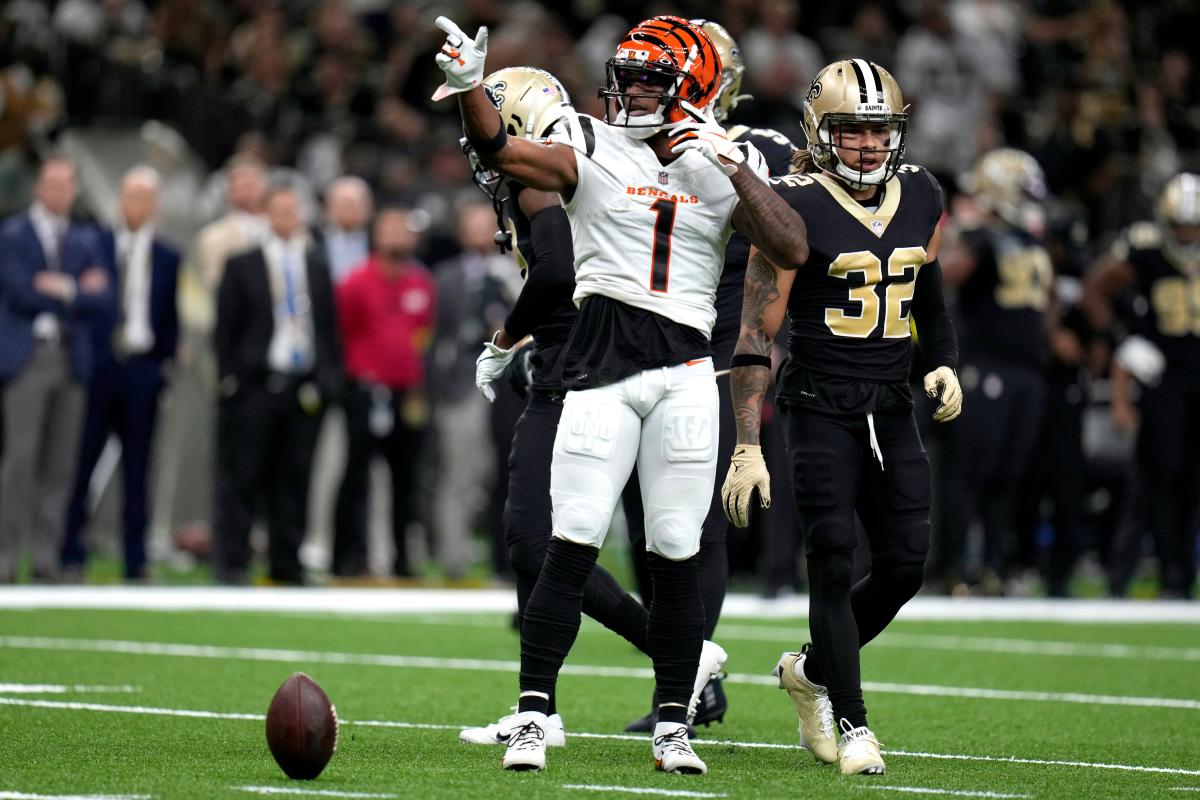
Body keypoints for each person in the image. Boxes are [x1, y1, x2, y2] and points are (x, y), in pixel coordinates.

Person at [433, 13, 809, 774]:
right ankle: (536, 713)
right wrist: (473, 88)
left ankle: (675, 725)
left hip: (683, 379)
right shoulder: (589, 140)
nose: (630, 90)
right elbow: (502, 149)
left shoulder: (724, 159)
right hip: (600, 373)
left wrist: (731, 166)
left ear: (692, 89)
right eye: (627, 76)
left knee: (673, 551)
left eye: (650, 79)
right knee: (566, 543)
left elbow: (793, 246)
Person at [459, 65, 724, 750]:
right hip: (587, 361)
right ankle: (541, 701)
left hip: (585, 367)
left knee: (545, 539)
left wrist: (505, 337)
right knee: (542, 541)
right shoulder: (573, 168)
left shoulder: (543, 181)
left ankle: (666, 661)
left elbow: (556, 271)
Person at [721, 59, 961, 776]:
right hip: (819, 403)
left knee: (905, 566)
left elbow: (929, 289)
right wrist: (747, 443)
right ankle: (854, 723)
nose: (866, 144)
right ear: (820, 132)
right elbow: (756, 334)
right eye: (851, 130)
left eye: (878, 129)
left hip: (890, 405)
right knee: (829, 561)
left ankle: (810, 671)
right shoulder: (792, 204)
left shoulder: (921, 191)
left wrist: (938, 359)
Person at [622, 17, 800, 735]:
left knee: (698, 521)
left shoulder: (755, 149)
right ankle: (692, 671)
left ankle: (684, 686)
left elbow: (787, 247)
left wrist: (767, 338)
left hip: (720, 349)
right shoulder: (630, 143)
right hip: (638, 346)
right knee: (644, 526)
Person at [935, 148, 1064, 594]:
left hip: (1026, 369)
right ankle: (954, 568)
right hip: (986, 365)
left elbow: (1044, 301)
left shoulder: (1030, 240)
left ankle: (992, 566)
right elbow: (940, 281)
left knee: (1008, 475)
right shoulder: (980, 238)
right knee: (971, 472)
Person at [212, 183, 342, 585]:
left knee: (294, 478)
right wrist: (231, 378)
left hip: (301, 385)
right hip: (254, 384)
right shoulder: (242, 263)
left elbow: (327, 331)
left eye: (293, 209)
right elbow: (224, 330)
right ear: (267, 214)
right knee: (243, 476)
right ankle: (233, 560)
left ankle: (288, 561)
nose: (288, 217)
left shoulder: (316, 266)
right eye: (280, 209)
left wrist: (326, 381)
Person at [1081, 172, 1200, 600]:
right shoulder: (1145, 248)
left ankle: (1181, 577)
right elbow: (1094, 289)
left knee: (1191, 482)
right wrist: (1121, 340)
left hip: (1194, 379)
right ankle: (1125, 576)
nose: (1188, 232)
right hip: (1162, 381)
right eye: (1182, 223)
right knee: (1154, 480)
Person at [61, 165, 181, 582]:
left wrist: (163, 369)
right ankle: (69, 552)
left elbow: (170, 319)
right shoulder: (94, 244)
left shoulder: (168, 255)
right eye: (128, 195)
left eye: (142, 198)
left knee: (137, 471)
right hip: (99, 367)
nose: (133, 205)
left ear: (154, 205)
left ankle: (135, 559)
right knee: (82, 462)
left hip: (142, 368)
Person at [0, 155, 115, 583]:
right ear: (38, 188)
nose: (59, 193)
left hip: (71, 359)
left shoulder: (86, 240)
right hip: (28, 357)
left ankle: (46, 557)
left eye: (67, 185)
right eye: (52, 184)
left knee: (61, 467)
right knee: (20, 460)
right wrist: (74, 290)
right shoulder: (12, 233)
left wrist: (58, 287)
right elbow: (18, 291)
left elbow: (105, 299)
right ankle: (6, 555)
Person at [332, 208, 435, 578]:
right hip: (366, 390)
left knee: (406, 479)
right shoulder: (355, 282)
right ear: (376, 236)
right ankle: (346, 555)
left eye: (402, 230)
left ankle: (402, 558)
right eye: (388, 229)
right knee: (356, 475)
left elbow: (424, 336)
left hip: (407, 392)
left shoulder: (420, 284)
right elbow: (343, 333)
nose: (395, 237)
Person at [318, 175, 373, 286]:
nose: (349, 210)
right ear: (329, 208)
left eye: (354, 204)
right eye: (343, 204)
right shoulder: (315, 242)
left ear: (368, 207)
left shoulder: (378, 241)